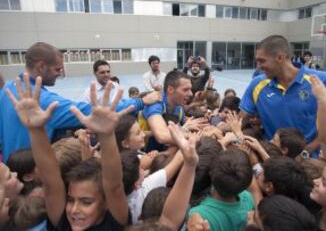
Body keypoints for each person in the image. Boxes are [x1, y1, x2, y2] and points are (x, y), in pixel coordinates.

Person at [7, 76, 132, 230]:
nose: (74, 210)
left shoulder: (114, 221)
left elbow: (114, 185)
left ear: (107, 203)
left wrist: (106, 135)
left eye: (86, 202)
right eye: (70, 200)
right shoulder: (63, 222)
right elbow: (50, 180)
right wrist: (36, 129)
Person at [0, 42, 160, 162]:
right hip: (36, 170)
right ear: (41, 66)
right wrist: (141, 101)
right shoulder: (43, 100)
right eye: (57, 69)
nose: (60, 74)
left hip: (15, 165)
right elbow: (90, 111)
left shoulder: (7, 90)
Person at [240, 35, 326, 156]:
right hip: (271, 158)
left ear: (280, 58)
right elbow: (240, 119)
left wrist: (308, 150)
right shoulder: (257, 84)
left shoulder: (322, 81)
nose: (258, 66)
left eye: (262, 61)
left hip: (308, 161)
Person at [140, 70, 193, 152]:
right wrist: (195, 136)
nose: (191, 94)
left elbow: (181, 125)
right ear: (170, 89)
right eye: (185, 90)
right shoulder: (155, 103)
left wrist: (192, 123)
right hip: (147, 155)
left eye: (190, 89)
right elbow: (162, 136)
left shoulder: (179, 107)